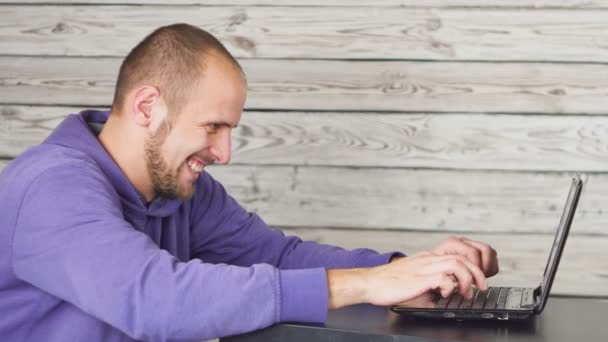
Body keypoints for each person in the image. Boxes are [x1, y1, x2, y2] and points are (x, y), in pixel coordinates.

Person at [0, 23, 498, 341]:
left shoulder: (177, 188)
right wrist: (366, 284)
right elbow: (154, 299)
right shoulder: (50, 187)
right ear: (148, 107)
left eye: (230, 131)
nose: (223, 153)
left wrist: (405, 272)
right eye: (212, 126)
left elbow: (276, 256)